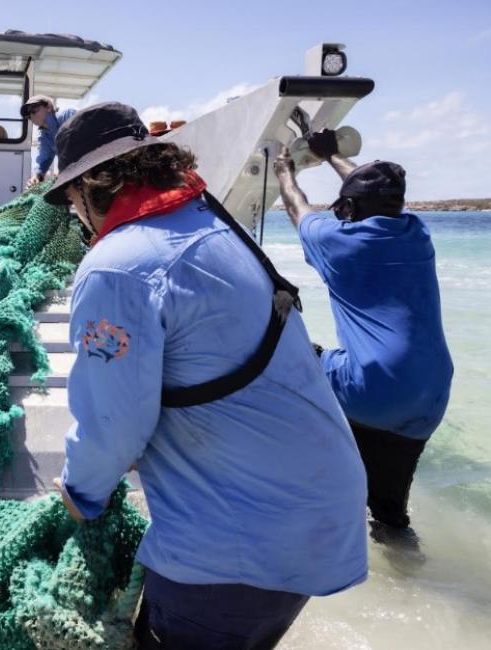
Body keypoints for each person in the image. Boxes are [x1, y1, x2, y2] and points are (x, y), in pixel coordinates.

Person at [46, 103, 368, 649]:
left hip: (239, 540)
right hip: (317, 514)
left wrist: (81, 493)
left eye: (72, 199)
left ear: (86, 187)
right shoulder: (212, 225)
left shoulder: (118, 266)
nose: (76, 213)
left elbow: (113, 427)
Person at [274, 130, 454, 535]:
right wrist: (332, 155)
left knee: (290, 349)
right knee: (390, 515)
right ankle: (403, 562)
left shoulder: (340, 243)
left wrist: (284, 171)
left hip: (371, 386)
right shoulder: (416, 233)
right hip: (431, 393)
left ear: (351, 207)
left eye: (343, 207)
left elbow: (297, 207)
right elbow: (378, 194)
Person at [21, 95, 76, 188]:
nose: (31, 116)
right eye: (28, 116)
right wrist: (37, 176)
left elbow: (83, 142)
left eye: (33, 110)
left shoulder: (69, 115)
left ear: (49, 107)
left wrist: (64, 169)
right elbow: (44, 160)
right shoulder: (44, 136)